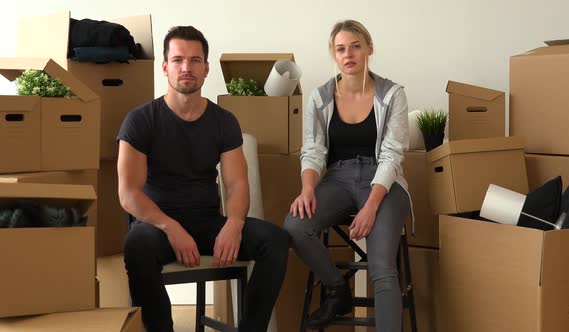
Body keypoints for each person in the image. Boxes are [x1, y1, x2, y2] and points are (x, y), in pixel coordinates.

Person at [118, 26, 289, 332]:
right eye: (178, 59)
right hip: (158, 226)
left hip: (207, 222)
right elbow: (129, 193)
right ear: (165, 66)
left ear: (206, 68)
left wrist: (234, 225)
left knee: (274, 240)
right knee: (137, 243)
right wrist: (171, 227)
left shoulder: (223, 121)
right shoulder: (141, 120)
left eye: (195, 60)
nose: (187, 68)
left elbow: (237, 183)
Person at [283, 20, 411, 331]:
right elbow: (313, 151)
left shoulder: (393, 94)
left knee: (382, 268)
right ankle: (338, 290)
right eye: (341, 49)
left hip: (383, 182)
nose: (348, 54)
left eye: (355, 46)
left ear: (369, 48)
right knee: (295, 226)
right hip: (337, 179)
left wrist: (371, 206)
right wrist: (308, 189)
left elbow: (393, 154)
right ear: (334, 55)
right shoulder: (320, 97)